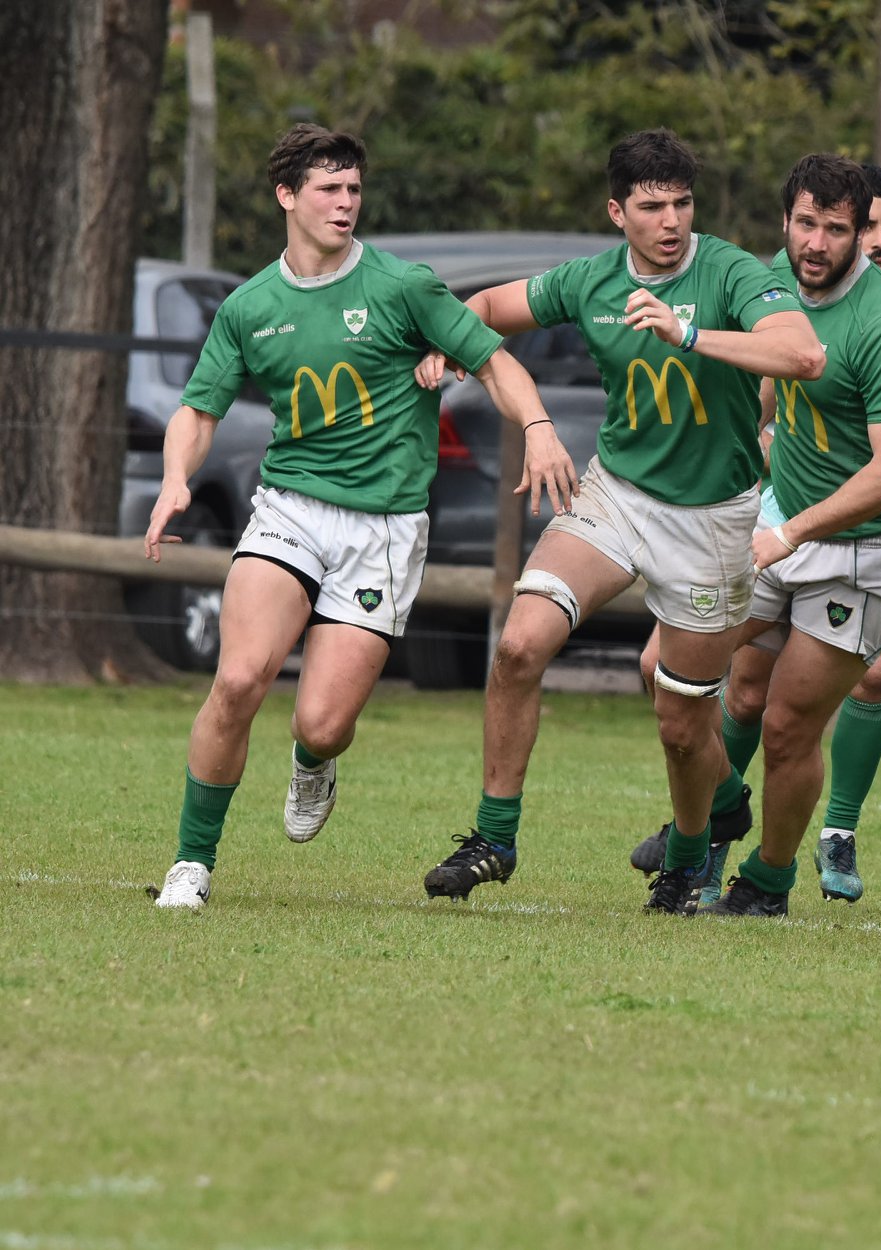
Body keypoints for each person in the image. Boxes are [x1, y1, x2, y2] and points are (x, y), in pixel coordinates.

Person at [146, 123, 579, 910]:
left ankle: (314, 761)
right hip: (290, 512)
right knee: (240, 676)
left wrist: (541, 427)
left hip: (382, 532)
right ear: (287, 196)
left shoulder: (401, 287)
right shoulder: (250, 306)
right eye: (328, 189)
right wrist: (178, 478)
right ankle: (191, 862)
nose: (346, 203)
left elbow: (496, 360)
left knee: (323, 723)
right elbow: (198, 410)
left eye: (354, 189)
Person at [413, 129, 823, 912]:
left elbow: (803, 357)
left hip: (713, 519)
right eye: (651, 206)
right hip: (617, 494)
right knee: (519, 644)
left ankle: (691, 851)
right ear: (617, 211)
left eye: (681, 203)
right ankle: (494, 838)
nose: (670, 220)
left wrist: (689, 332)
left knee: (680, 724)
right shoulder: (591, 280)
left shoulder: (731, 271)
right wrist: (454, 347)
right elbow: (489, 306)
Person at [628, 162, 881, 905]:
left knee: (786, 725)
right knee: (665, 666)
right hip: (785, 517)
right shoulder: (775, 283)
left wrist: (790, 534)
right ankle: (721, 812)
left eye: (838, 230)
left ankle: (768, 879)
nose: (819, 243)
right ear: (785, 221)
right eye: (807, 223)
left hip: (871, 548)